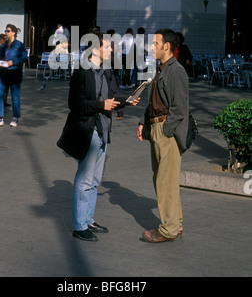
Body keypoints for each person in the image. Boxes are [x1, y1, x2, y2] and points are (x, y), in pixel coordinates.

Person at [57, 31, 139, 242]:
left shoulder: (104, 70)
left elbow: (109, 97)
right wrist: (100, 105)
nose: (112, 49)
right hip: (88, 129)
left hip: (103, 129)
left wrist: (126, 102)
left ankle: (88, 219)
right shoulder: (83, 72)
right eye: (108, 46)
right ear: (95, 49)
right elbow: (75, 105)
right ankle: (79, 225)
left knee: (94, 179)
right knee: (84, 179)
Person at [137, 29, 189, 243]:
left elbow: (179, 107)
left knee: (165, 182)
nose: (152, 46)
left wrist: (166, 131)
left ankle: (167, 230)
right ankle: (174, 224)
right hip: (157, 127)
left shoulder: (175, 70)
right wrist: (143, 122)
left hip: (167, 131)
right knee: (164, 180)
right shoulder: (161, 69)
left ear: (166, 46)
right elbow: (154, 100)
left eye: (155, 42)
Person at [0, 24, 27, 128]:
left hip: (14, 73)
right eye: (5, 31)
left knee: (15, 98)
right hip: (3, 73)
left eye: (8, 31)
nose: (6, 33)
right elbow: (0, 58)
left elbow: (24, 58)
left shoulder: (19, 45)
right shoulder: (3, 46)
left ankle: (15, 117)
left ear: (14, 32)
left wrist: (13, 62)